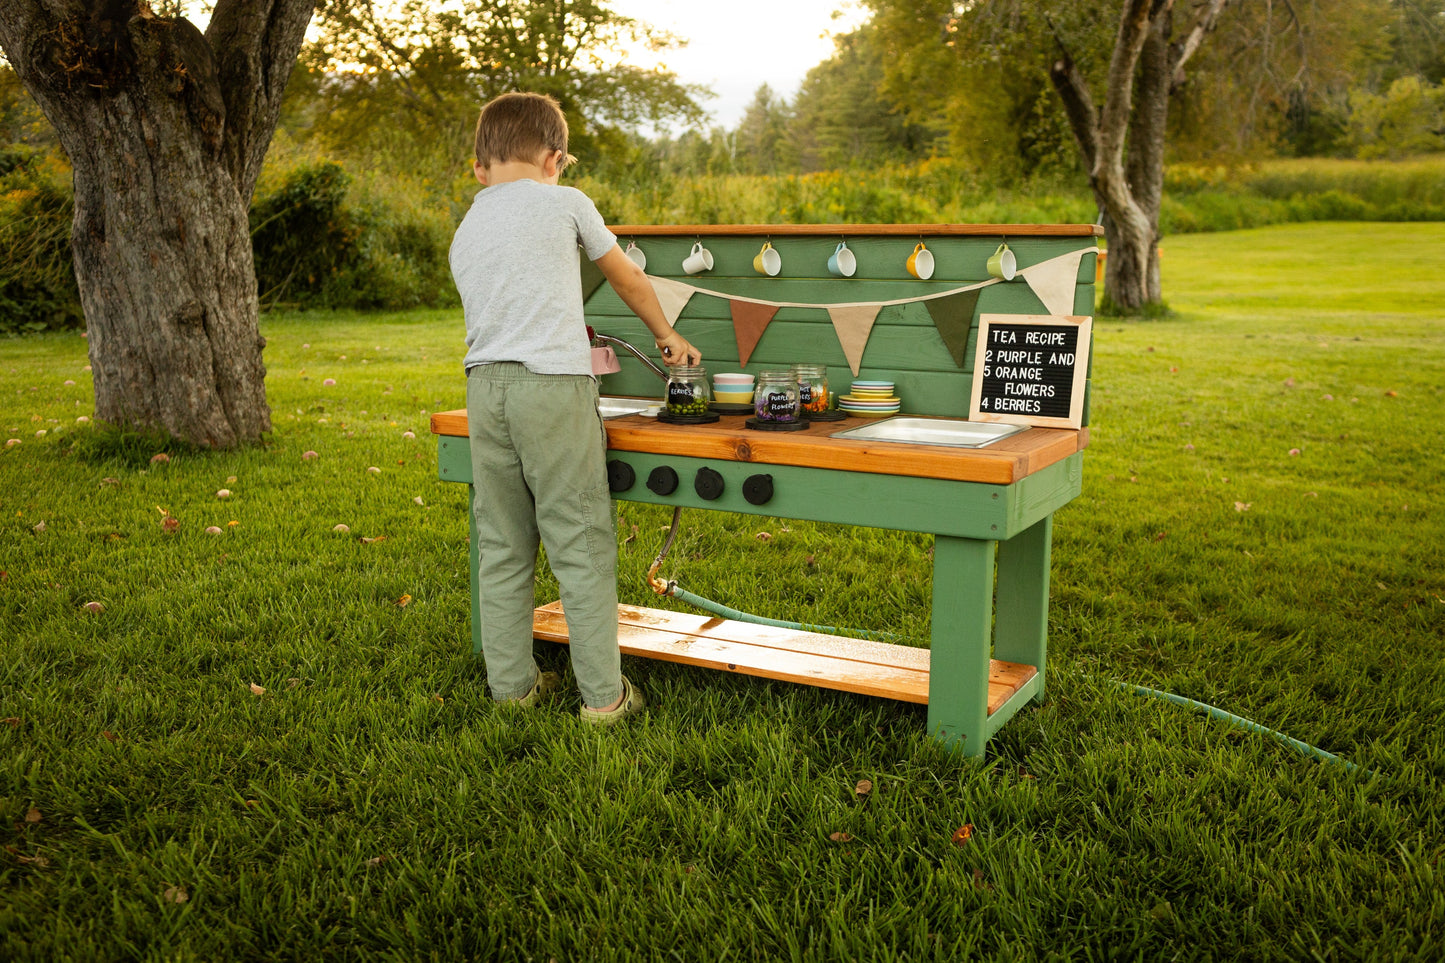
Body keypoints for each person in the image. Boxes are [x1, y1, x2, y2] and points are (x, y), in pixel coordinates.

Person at [450, 91, 700, 725]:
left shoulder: (469, 224)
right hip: (553, 391)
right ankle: (604, 699)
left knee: (503, 544)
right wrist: (667, 335)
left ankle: (512, 688)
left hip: (485, 388)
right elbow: (626, 277)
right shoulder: (566, 203)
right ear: (555, 158)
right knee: (579, 543)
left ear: (480, 167)